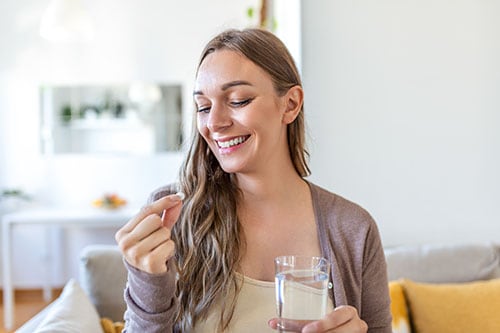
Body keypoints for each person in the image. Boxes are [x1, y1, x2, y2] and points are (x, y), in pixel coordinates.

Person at [115, 28, 392, 333]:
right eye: (203, 107)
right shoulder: (173, 219)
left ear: (290, 104)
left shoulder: (353, 229)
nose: (215, 123)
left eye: (238, 100)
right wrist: (147, 284)